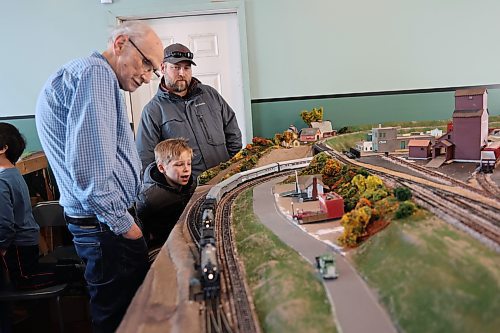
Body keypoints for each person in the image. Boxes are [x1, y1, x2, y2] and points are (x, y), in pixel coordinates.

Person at [35, 21, 163, 332]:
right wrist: (125, 225)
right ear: (120, 44)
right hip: (105, 226)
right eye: (146, 63)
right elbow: (91, 174)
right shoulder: (95, 75)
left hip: (102, 225)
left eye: (154, 70)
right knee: (121, 318)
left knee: (118, 312)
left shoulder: (92, 75)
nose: (147, 77)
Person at [135, 43, 243, 177]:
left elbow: (232, 131)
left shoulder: (210, 94)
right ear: (163, 68)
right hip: (188, 191)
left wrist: (231, 165)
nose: (182, 73)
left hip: (225, 178)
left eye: (187, 68)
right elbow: (146, 158)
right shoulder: (153, 110)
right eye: (176, 67)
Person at [0, 123, 59, 290]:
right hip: (25, 241)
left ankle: (76, 272)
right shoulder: (12, 173)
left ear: (3, 148)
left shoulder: (2, 180)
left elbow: (4, 224)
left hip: (18, 244)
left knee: (23, 280)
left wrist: (2, 246)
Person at [137, 138, 197, 250]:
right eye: (179, 165)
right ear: (161, 167)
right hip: (161, 247)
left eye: (189, 163)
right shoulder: (148, 198)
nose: (186, 169)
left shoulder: (192, 185)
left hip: (185, 241)